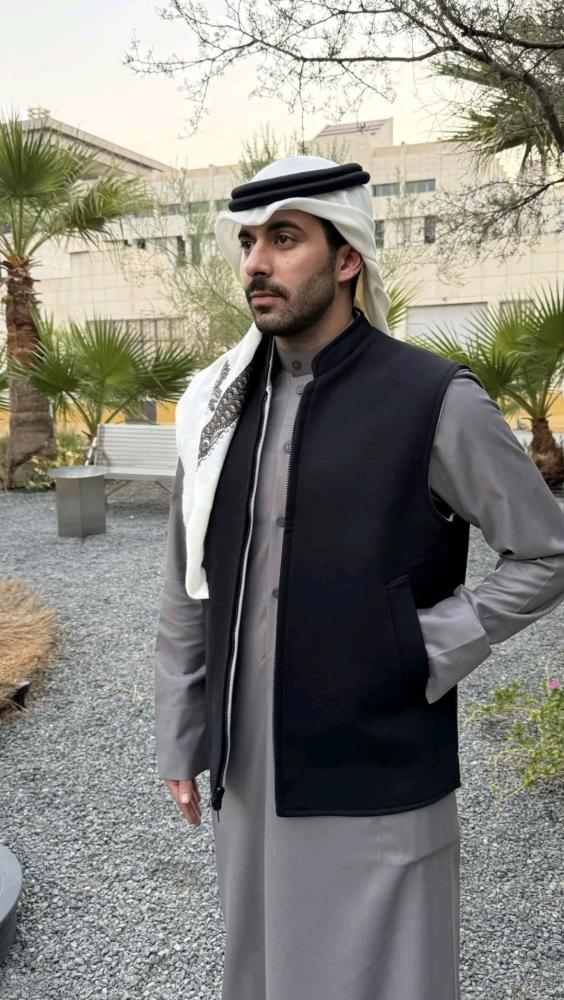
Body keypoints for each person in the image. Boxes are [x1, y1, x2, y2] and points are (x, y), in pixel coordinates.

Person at [154, 156, 564, 1000]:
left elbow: (545, 552)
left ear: (348, 258)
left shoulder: (432, 399)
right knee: (263, 977)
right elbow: (188, 580)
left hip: (380, 769)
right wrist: (182, 731)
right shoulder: (218, 408)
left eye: (284, 239)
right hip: (249, 773)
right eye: (248, 242)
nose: (256, 263)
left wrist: (425, 646)